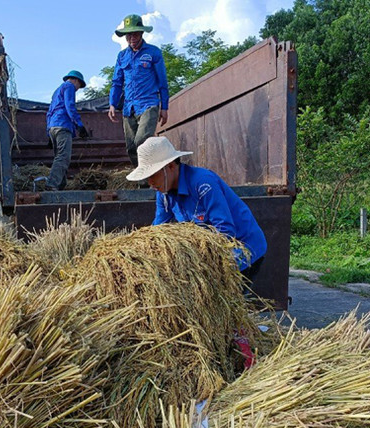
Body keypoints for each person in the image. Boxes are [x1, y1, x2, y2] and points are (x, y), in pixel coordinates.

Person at [127, 136, 267, 283]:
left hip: (242, 246)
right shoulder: (163, 193)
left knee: (216, 296)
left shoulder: (203, 183)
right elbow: (158, 229)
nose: (150, 183)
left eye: (153, 175)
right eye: (147, 178)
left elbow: (225, 230)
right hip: (209, 249)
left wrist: (196, 259)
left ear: (170, 166)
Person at [108, 14, 169, 167]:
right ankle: (144, 181)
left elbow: (162, 81)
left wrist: (165, 107)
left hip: (149, 104)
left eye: (135, 34)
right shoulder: (122, 56)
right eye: (129, 34)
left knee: (141, 141)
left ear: (142, 33)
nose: (132, 38)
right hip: (129, 108)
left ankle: (152, 175)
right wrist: (112, 104)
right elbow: (117, 82)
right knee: (131, 147)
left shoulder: (153, 53)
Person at [45, 70, 89, 191]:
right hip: (63, 125)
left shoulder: (56, 91)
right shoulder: (69, 86)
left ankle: (61, 185)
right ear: (76, 80)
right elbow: (70, 106)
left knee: (58, 157)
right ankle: (52, 184)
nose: (77, 89)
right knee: (63, 157)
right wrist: (79, 125)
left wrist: (48, 132)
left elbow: (49, 112)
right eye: (79, 86)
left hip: (53, 127)